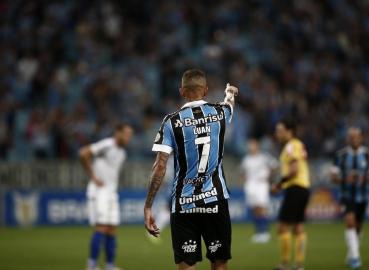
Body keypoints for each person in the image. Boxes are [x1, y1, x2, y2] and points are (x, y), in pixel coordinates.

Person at [143, 69, 238, 270]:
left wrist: (148, 206)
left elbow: (160, 166)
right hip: (216, 200)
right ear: (205, 90)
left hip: (184, 204)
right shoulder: (220, 113)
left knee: (186, 265)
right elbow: (229, 103)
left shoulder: (171, 121)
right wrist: (230, 93)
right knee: (220, 264)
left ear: (182, 91)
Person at [79, 124, 134, 270]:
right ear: (118, 133)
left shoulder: (122, 153)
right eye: (126, 134)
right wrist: (93, 177)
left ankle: (109, 265)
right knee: (102, 227)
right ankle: (91, 265)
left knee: (111, 229)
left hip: (111, 193)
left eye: (130, 135)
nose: (129, 138)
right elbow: (83, 153)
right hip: (99, 192)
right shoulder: (107, 144)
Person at [330, 127, 369, 269]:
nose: (354, 139)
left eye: (356, 137)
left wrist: (364, 177)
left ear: (361, 138)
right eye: (351, 137)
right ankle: (356, 258)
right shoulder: (340, 155)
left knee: (358, 227)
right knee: (350, 222)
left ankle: (351, 253)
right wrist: (345, 179)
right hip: (347, 195)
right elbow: (333, 177)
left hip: (363, 196)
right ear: (347, 139)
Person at [272, 118, 310, 270]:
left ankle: (285, 264)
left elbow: (294, 170)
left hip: (295, 188)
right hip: (303, 187)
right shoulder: (298, 145)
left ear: (289, 131)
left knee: (282, 227)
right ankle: (299, 265)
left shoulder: (291, 146)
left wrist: (279, 184)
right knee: (298, 227)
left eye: (280, 130)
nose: (277, 133)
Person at [241, 138, 278, 243]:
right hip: (250, 185)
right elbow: (242, 172)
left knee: (262, 208)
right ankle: (258, 233)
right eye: (249, 145)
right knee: (254, 209)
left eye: (252, 145)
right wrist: (246, 181)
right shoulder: (246, 159)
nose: (250, 147)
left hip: (261, 184)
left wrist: (269, 177)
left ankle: (265, 233)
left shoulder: (264, 157)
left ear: (257, 146)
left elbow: (275, 166)